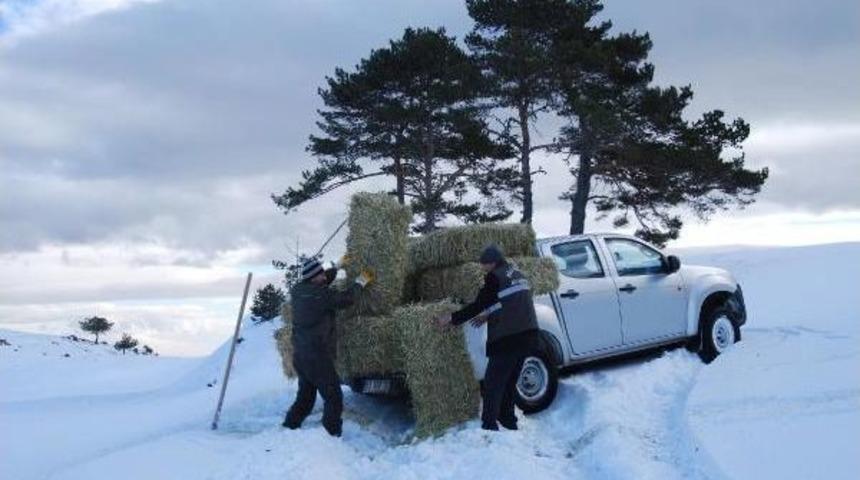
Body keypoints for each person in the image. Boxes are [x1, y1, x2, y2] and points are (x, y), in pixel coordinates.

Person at [436, 245, 538, 431]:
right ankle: (509, 421)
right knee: (509, 381)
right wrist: (489, 314)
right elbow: (510, 301)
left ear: (492, 263)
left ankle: (489, 426)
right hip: (528, 334)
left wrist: (451, 318)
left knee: (492, 383)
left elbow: (478, 304)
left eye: (483, 264)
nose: (482, 268)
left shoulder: (494, 277)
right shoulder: (516, 273)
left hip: (508, 336)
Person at [283, 256, 373, 437]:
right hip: (316, 356)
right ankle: (331, 436)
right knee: (334, 397)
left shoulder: (299, 290)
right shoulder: (320, 296)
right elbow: (346, 299)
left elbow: (322, 282)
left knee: (305, 398)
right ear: (312, 278)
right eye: (320, 274)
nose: (324, 276)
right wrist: (360, 282)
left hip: (301, 355)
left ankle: (289, 426)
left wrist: (337, 268)